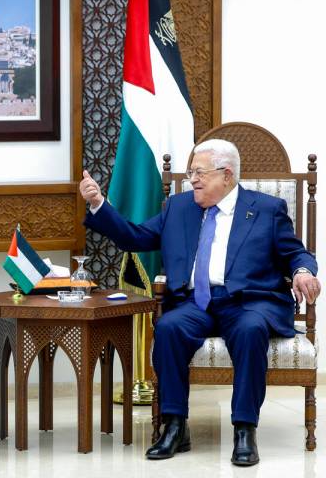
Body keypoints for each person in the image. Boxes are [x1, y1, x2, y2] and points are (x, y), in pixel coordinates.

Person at [80, 139, 320, 466]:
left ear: (227, 175)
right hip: (197, 302)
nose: (192, 179)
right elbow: (133, 237)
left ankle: (244, 429)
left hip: (249, 302)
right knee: (168, 327)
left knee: (251, 330)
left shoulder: (266, 208)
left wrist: (304, 271)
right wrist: (98, 204)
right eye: (192, 171)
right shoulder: (178, 207)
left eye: (200, 173)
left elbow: (296, 253)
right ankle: (175, 425)